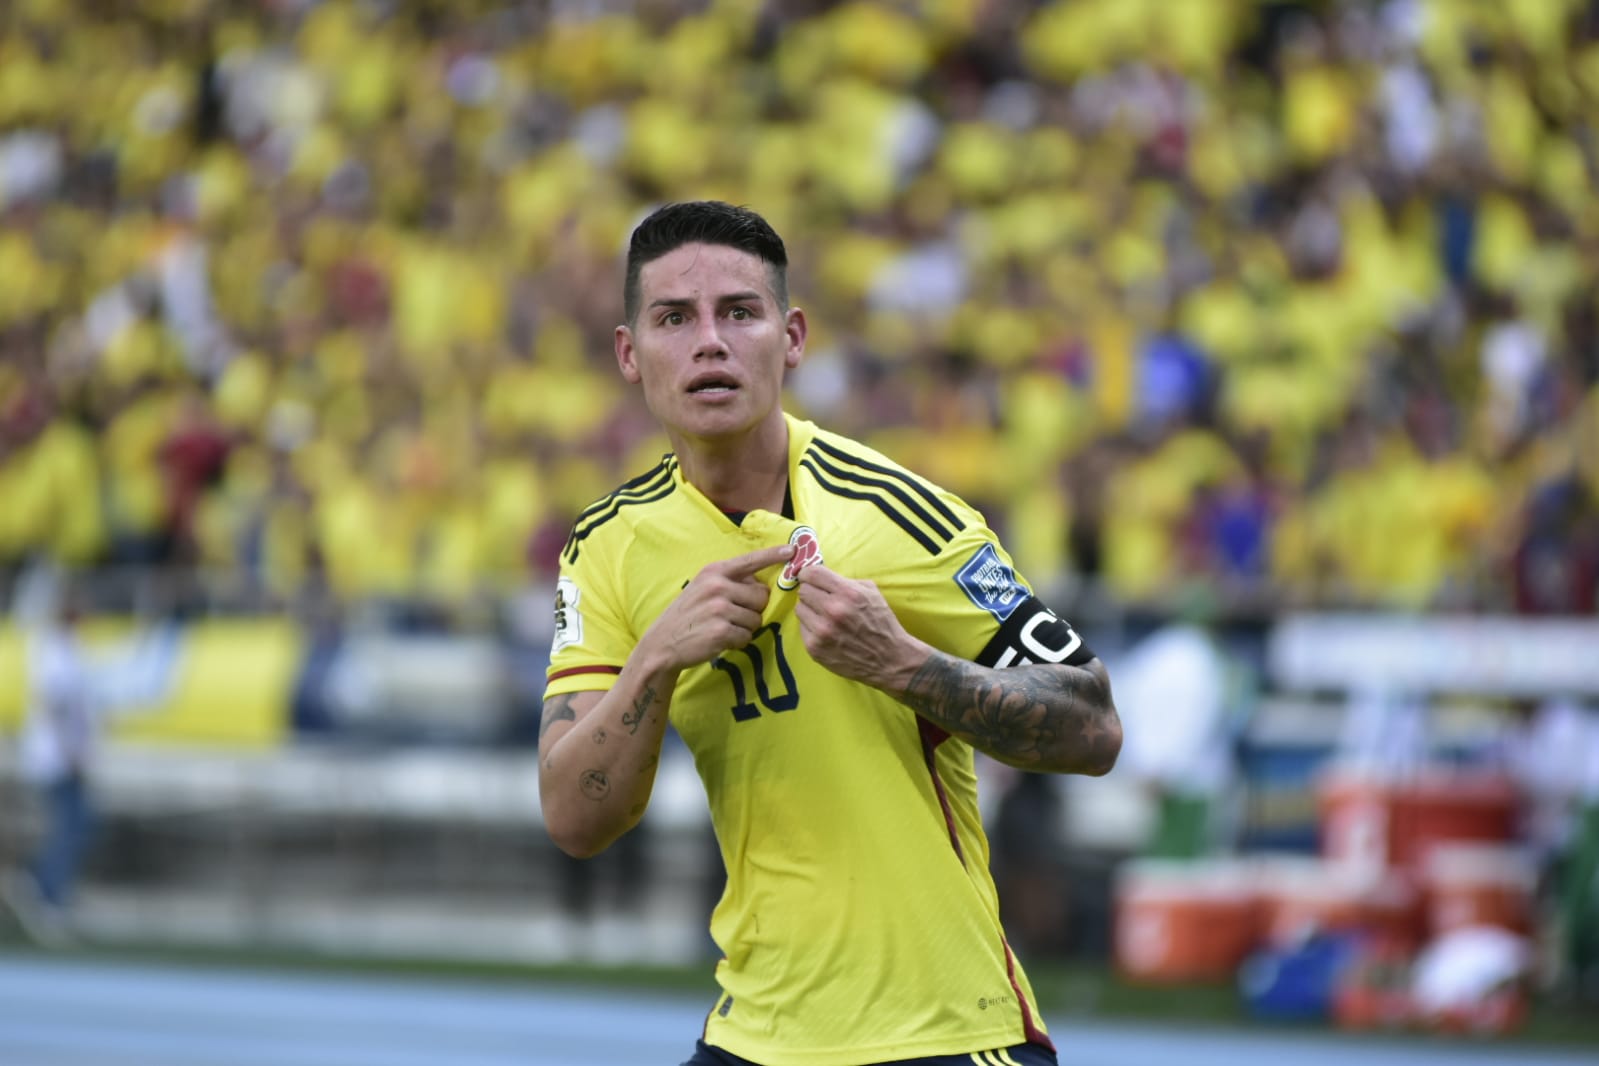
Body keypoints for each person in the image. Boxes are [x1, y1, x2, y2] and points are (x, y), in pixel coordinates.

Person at [538, 201, 1121, 1066]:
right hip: (754, 1036)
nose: (709, 342)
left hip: (949, 1035)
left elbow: (1093, 723)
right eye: (673, 318)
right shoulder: (606, 549)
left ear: (793, 336)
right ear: (630, 353)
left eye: (739, 312)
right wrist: (656, 660)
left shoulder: (897, 514)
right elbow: (574, 817)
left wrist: (904, 666)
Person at [2, 580, 178, 947]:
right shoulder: (55, 649)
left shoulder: (69, 647)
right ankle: (44, 890)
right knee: (74, 824)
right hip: (59, 757)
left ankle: (41, 882)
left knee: (75, 824)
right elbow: (55, 703)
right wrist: (71, 750)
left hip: (64, 754)